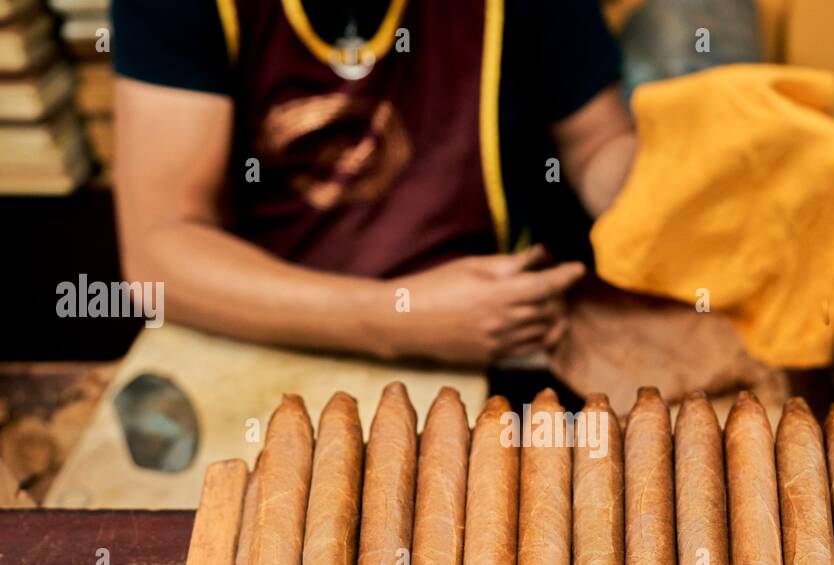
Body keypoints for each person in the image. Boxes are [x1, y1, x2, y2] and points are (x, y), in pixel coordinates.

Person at [112, 0, 638, 366]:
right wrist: (399, 320)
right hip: (274, 333)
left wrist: (672, 177)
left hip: (497, 335)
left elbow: (595, 147)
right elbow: (160, 254)